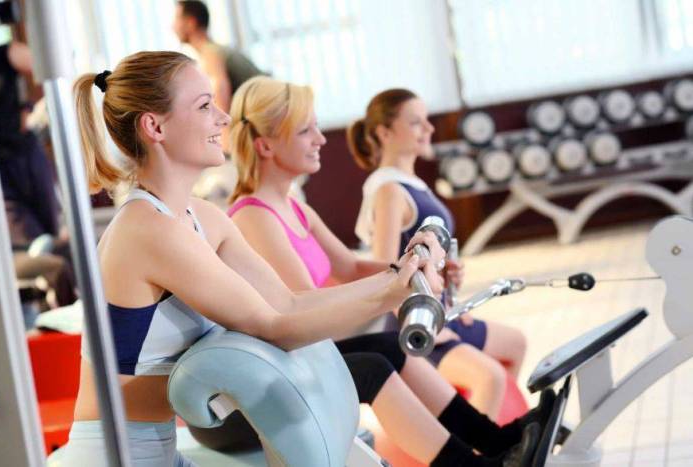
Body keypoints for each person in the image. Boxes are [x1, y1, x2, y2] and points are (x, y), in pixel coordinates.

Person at [60, 50, 457, 467]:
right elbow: (274, 328)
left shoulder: (203, 218)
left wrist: (398, 275)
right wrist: (393, 290)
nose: (223, 119)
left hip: (159, 451)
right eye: (204, 106)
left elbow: (288, 303)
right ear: (155, 127)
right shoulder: (147, 229)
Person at [227, 76, 546, 466]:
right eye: (306, 130)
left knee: (390, 347)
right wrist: (395, 284)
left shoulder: (295, 208)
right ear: (266, 145)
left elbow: (351, 266)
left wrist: (416, 267)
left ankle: (495, 440)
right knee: (374, 366)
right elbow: (305, 306)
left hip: (308, 353)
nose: (321, 139)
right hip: (285, 365)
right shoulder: (253, 217)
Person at [348, 89, 528, 420]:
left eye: (426, 120)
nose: (429, 129)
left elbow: (418, 256)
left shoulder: (411, 183)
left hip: (441, 311)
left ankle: (493, 433)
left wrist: (444, 273)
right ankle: (474, 445)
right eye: (416, 122)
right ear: (384, 133)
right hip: (414, 323)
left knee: (514, 344)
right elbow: (385, 272)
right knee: (489, 378)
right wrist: (426, 325)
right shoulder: (389, 190)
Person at [0, 40, 77, 307]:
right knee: (38, 247)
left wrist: (28, 105)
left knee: (55, 239)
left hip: (26, 154)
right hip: (0, 172)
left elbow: (49, 63)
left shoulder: (3, 54)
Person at [172, 0, 263, 114]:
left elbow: (221, 109)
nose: (173, 27)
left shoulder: (210, 54)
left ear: (191, 23)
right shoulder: (213, 50)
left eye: (177, 19)